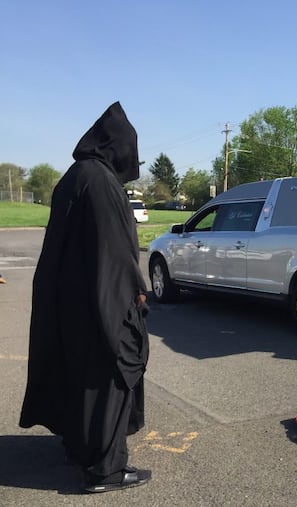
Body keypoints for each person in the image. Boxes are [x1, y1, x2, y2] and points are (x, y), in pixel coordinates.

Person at [19, 103, 151, 493]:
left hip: (69, 304)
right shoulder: (102, 184)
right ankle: (105, 470)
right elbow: (113, 253)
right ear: (118, 147)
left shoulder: (75, 177)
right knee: (108, 378)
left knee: (77, 378)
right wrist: (132, 303)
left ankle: (79, 448)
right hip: (100, 304)